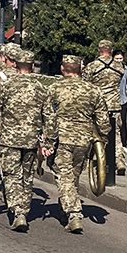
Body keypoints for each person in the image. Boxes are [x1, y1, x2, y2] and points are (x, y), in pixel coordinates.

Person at [0, 49, 51, 231]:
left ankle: (18, 212)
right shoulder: (41, 88)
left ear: (15, 63)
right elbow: (49, 117)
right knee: (27, 177)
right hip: (31, 140)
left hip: (9, 139)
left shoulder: (6, 85)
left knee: (12, 175)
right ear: (31, 66)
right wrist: (48, 142)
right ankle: (25, 208)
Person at [46, 55, 110, 233]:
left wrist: (48, 140)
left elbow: (48, 117)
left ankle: (74, 213)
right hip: (84, 140)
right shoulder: (93, 90)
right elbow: (103, 120)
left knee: (64, 177)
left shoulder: (54, 88)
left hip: (62, 139)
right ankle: (64, 211)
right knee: (72, 177)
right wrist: (102, 140)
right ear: (80, 69)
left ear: (62, 69)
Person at [82, 40, 126, 175]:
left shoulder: (92, 66)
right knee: (116, 134)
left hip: (98, 105)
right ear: (111, 50)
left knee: (96, 133)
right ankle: (119, 161)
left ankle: (97, 159)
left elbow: (85, 84)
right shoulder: (118, 66)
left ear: (99, 50)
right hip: (114, 104)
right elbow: (122, 74)